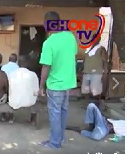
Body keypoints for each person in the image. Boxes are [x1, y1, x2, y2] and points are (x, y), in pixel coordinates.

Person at [38, 11, 77, 149]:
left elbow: (46, 67)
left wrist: (41, 86)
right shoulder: (70, 37)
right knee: (63, 112)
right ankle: (60, 138)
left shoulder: (49, 42)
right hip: (68, 84)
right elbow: (73, 55)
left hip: (55, 85)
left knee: (55, 114)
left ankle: (55, 143)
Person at [8, 55, 39, 123]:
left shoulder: (11, 74)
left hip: (14, 101)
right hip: (30, 102)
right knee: (35, 95)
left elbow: (9, 88)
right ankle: (32, 119)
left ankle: (11, 118)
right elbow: (37, 91)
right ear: (28, 64)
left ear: (18, 64)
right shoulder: (33, 74)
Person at [82, 37, 108, 106]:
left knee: (96, 91)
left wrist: (105, 72)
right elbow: (85, 60)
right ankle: (87, 105)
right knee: (85, 90)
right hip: (86, 72)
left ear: (99, 39)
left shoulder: (101, 48)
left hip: (96, 73)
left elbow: (105, 61)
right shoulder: (88, 49)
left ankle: (98, 104)